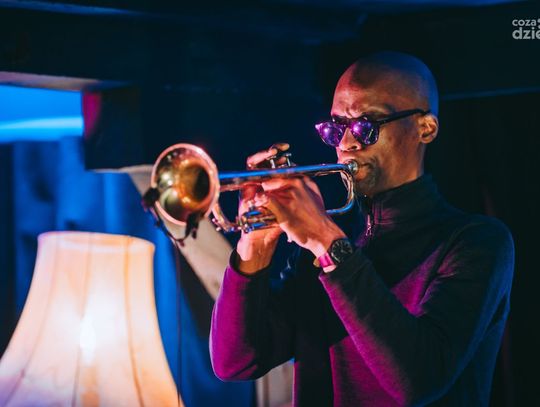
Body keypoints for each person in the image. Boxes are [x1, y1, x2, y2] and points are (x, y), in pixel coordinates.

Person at [209, 51, 514, 406]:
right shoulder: (320, 250)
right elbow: (235, 362)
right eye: (336, 128)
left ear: (425, 129)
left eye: (365, 127)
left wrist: (327, 242)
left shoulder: (475, 241)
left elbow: (418, 380)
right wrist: (254, 246)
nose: (346, 144)